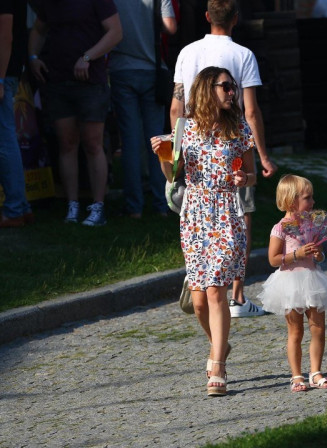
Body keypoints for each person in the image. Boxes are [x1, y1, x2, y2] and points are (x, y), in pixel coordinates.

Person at [152, 66, 256, 396]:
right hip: (195, 216)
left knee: (215, 292)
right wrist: (162, 154)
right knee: (198, 302)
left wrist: (244, 178)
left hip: (226, 212)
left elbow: (251, 174)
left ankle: (218, 367)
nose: (232, 92)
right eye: (225, 86)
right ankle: (219, 345)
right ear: (207, 89)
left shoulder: (238, 127)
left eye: (233, 86)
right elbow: (173, 175)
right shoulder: (185, 128)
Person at [171, 0, 278, 317]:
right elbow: (251, 111)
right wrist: (262, 155)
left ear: (207, 17)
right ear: (236, 18)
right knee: (241, 215)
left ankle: (202, 275)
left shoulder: (187, 52)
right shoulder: (243, 54)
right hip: (231, 142)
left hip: (194, 144)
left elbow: (177, 106)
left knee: (198, 216)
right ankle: (237, 297)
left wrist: (176, 149)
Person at [28, 0, 122, 226]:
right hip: (58, 79)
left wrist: (88, 57)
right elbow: (39, 29)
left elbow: (115, 32)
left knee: (92, 144)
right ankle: (72, 204)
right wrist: (33, 58)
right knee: (67, 144)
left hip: (90, 82)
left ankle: (98, 206)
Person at [257, 174, 327, 392]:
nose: (313, 202)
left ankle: (316, 372)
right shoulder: (281, 228)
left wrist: (319, 254)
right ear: (292, 201)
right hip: (290, 283)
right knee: (295, 331)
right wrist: (297, 254)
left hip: (312, 280)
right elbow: (273, 259)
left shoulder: (311, 226)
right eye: (307, 198)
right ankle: (296, 375)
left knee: (318, 328)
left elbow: (319, 255)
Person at [108, 0, 177, 219]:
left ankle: (134, 207)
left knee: (130, 141)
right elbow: (171, 27)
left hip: (121, 69)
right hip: (152, 69)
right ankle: (161, 204)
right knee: (158, 140)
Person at [0, 0, 34, 228]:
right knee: (6, 139)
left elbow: (5, 34)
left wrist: (0, 79)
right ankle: (21, 206)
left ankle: (14, 210)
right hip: (8, 73)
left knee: (4, 140)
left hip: (4, 75)